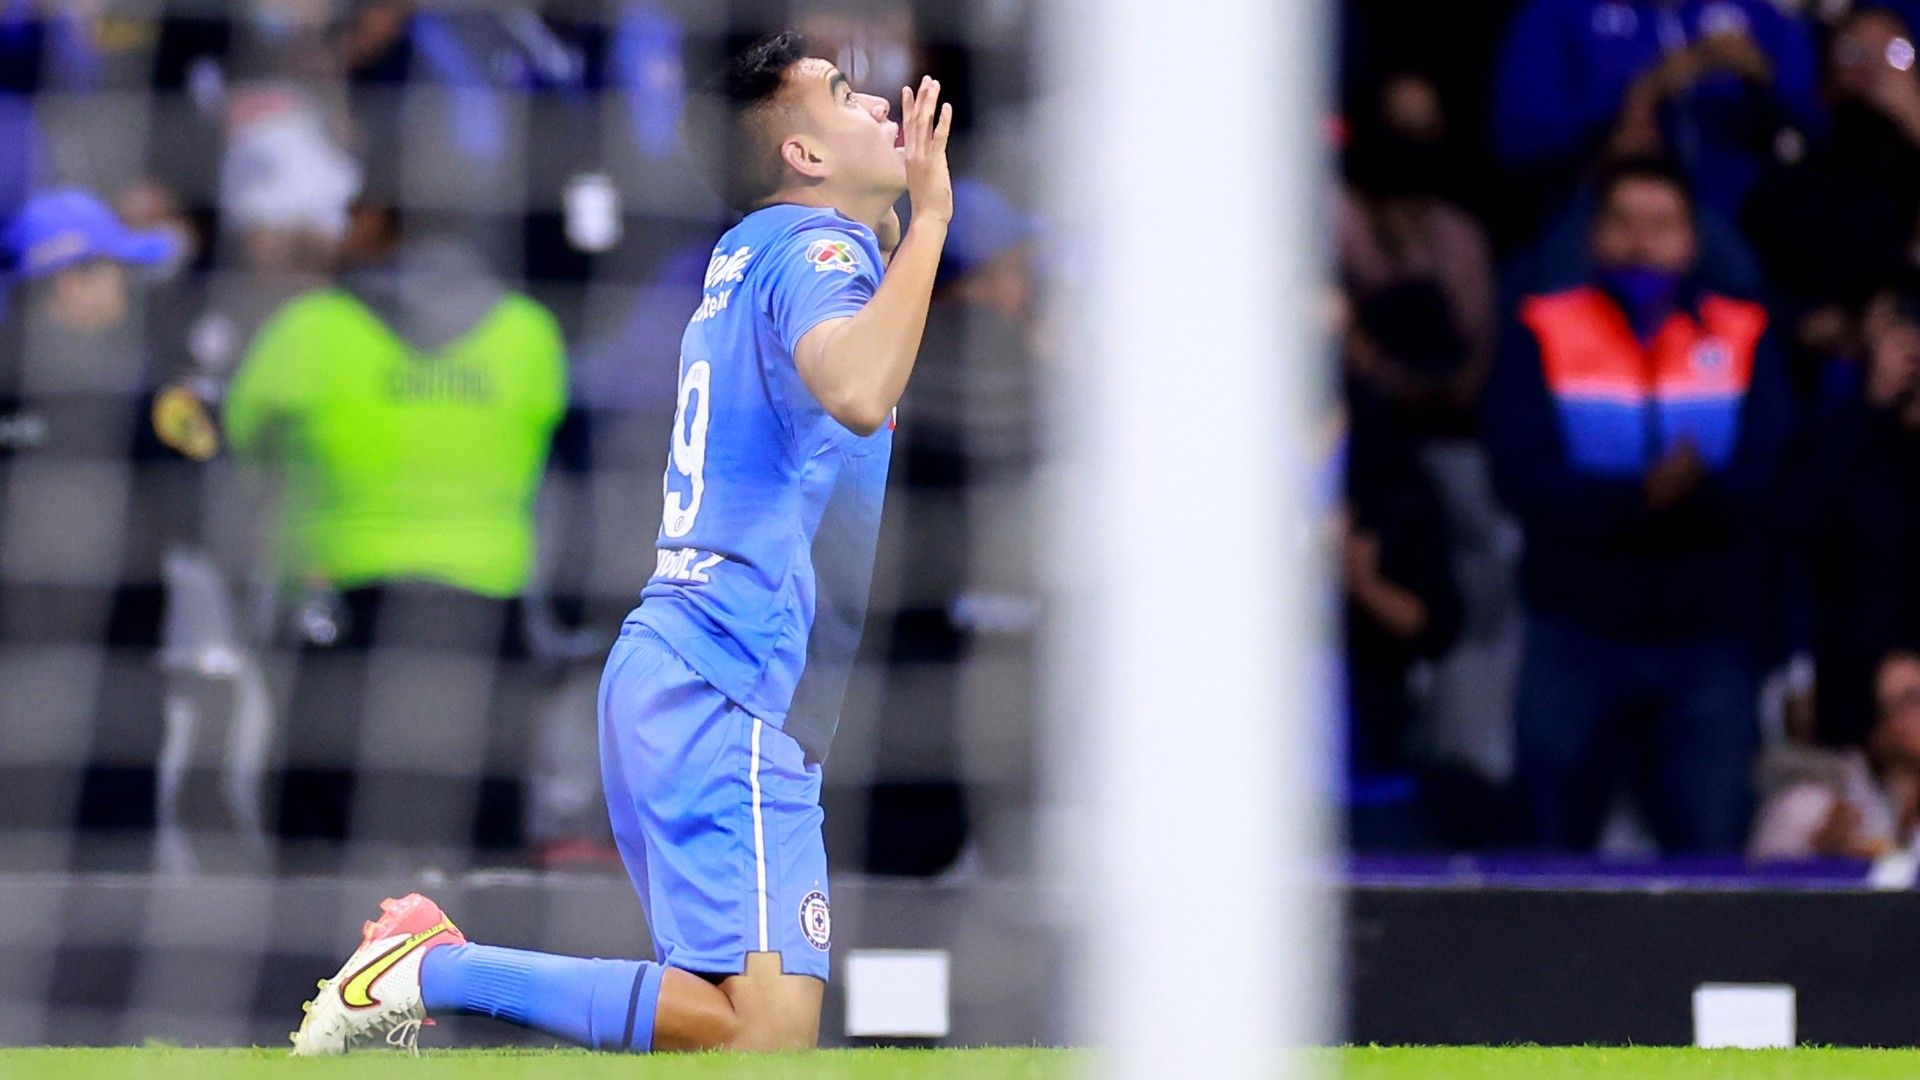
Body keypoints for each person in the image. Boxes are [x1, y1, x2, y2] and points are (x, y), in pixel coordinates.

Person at [291, 31, 953, 1055]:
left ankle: (426, 961)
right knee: (763, 1037)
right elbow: (860, 390)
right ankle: (427, 968)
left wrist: (896, 213)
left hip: (686, 674)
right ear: (803, 155)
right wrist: (934, 219)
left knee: (732, 1026)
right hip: (730, 683)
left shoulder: (756, 250)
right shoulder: (820, 251)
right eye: (843, 94)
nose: (879, 106)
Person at [224, 203, 568, 872]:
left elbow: (240, 443)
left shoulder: (310, 328)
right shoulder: (528, 331)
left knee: (319, 846)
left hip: (342, 607)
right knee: (484, 849)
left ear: (375, 222)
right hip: (487, 613)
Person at [1483, 158, 1794, 854]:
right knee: (1549, 855)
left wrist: (1697, 493)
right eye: (1623, 223)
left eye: (1661, 225)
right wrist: (1635, 500)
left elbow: (1771, 471)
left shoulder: (1742, 331)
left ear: (1693, 238)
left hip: (1707, 635)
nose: (1641, 243)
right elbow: (1517, 473)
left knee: (1710, 857)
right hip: (1574, 628)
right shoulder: (1544, 328)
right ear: (1593, 234)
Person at [1492, 0, 1818, 226]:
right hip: (1597, 212)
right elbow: (1518, 139)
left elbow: (1819, 130)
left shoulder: (1759, 16)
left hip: (1740, 216)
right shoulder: (1561, 12)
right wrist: (1632, 104)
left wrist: (1764, 77)